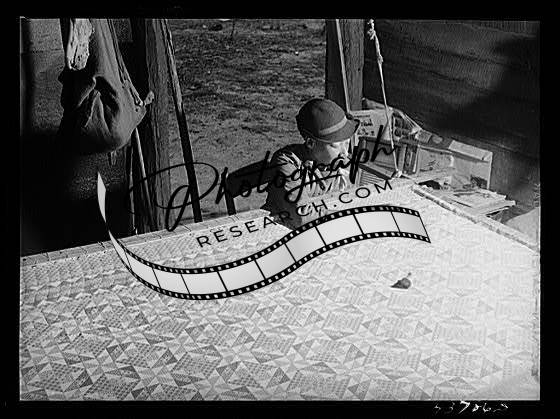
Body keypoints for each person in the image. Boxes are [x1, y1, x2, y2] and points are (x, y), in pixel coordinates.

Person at [263, 97, 360, 228]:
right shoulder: (287, 164)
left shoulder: (339, 161)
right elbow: (302, 217)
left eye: (347, 143)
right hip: (279, 229)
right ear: (310, 143)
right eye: (336, 145)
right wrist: (351, 217)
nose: (345, 153)